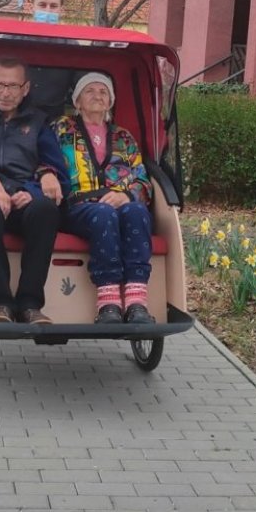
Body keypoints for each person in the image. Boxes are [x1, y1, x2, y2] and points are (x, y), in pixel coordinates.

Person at [0, 55, 69, 324]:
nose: (6, 93)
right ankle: (0, 303)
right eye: (0, 85)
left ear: (26, 88)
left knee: (46, 210)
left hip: (25, 198)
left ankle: (30, 304)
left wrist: (33, 191)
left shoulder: (39, 121)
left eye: (13, 86)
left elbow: (58, 170)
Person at [52, 72, 156, 324]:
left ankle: (136, 301)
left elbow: (143, 179)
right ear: (77, 101)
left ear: (110, 102)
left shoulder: (124, 137)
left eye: (103, 92)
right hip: (77, 205)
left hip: (119, 201)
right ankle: (108, 301)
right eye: (89, 91)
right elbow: (45, 163)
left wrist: (126, 195)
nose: (97, 96)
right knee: (103, 213)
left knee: (137, 211)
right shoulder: (61, 128)